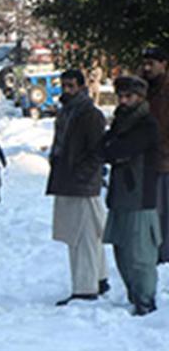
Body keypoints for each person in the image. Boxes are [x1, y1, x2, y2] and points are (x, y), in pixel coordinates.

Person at [46, 69, 110, 306]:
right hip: (71, 181)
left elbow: (96, 151)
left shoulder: (89, 114)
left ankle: (85, 288)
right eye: (64, 85)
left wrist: (81, 175)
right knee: (92, 233)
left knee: (81, 237)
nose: (67, 90)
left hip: (80, 183)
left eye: (72, 86)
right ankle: (100, 278)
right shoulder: (68, 111)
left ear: (82, 87)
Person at [102, 76, 162, 315]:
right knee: (122, 252)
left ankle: (146, 301)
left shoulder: (147, 124)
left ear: (140, 98)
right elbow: (104, 148)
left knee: (141, 255)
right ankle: (135, 297)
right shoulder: (120, 121)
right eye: (121, 96)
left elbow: (120, 149)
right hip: (119, 196)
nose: (124, 101)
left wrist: (113, 150)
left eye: (129, 96)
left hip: (140, 197)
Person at [138, 46, 169, 263]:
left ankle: (163, 256)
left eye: (152, 63)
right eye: (145, 63)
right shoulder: (142, 89)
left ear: (164, 64)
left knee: (163, 212)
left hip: (164, 161)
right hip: (144, 161)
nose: (147, 68)